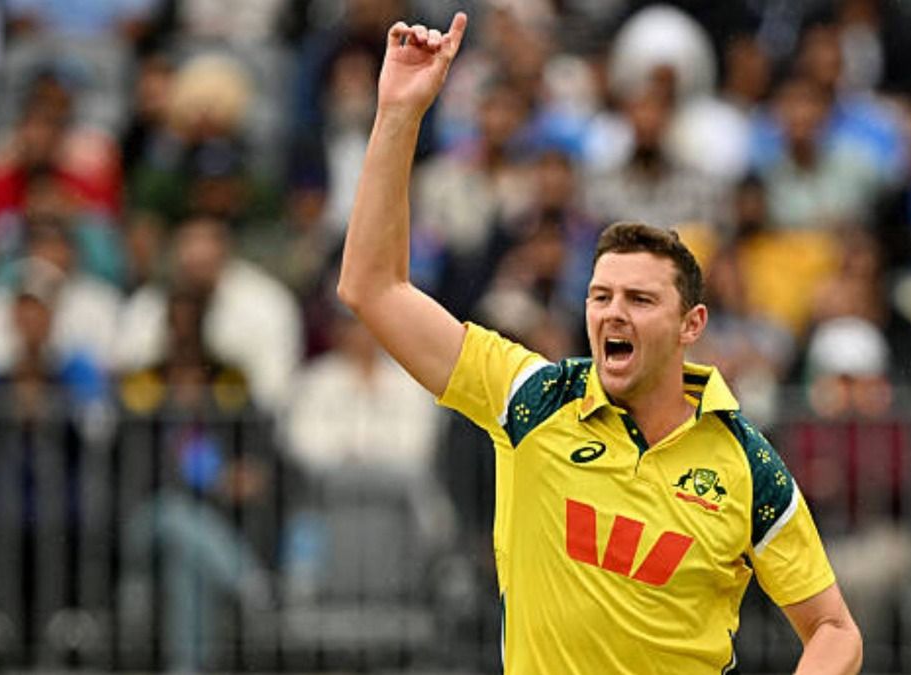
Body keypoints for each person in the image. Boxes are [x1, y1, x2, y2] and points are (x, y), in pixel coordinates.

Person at [337, 13, 862, 674]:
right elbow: (372, 288)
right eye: (601, 295)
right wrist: (397, 114)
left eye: (640, 299)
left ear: (691, 325)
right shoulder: (531, 399)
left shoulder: (747, 465)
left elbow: (835, 629)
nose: (614, 313)